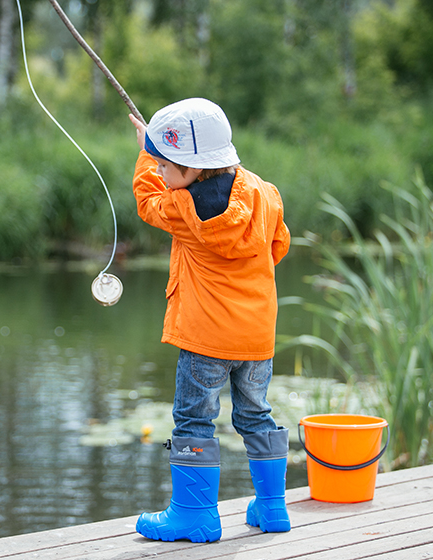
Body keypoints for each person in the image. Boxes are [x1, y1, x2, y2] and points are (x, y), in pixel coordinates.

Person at [128, 98, 291, 543]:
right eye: (159, 164)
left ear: (197, 169)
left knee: (194, 422)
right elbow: (279, 246)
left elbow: (147, 201)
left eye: (168, 165)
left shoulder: (182, 208)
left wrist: (144, 151)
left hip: (205, 340)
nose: (161, 172)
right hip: (256, 337)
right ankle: (273, 507)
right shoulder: (264, 193)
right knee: (257, 415)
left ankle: (194, 514)